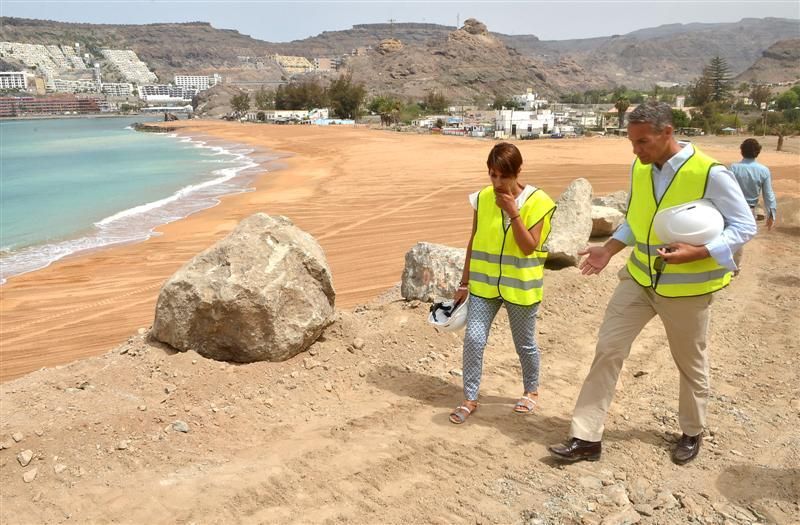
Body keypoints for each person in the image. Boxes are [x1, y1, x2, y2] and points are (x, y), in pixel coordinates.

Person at [547, 101, 756, 464]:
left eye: (642, 142)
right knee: (608, 349)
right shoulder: (640, 168)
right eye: (632, 142)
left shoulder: (711, 173)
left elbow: (744, 226)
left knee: (690, 362)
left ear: (668, 133)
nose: (636, 150)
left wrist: (699, 252)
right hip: (640, 279)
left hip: (687, 290)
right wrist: (609, 249)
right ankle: (586, 437)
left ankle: (692, 431)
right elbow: (635, 219)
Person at [449, 142, 556, 424]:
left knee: (525, 344)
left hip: (520, 288)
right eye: (492, 175)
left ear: (518, 172)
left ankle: (531, 391)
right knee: (473, 339)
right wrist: (464, 282)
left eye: (503, 176)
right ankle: (470, 398)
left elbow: (528, 246)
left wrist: (513, 211)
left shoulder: (539, 202)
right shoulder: (482, 199)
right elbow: (474, 238)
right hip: (484, 287)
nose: (497, 182)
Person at [731, 138, 777, 271]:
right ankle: (734, 268)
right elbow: (768, 195)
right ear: (758, 152)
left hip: (733, 208)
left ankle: (729, 266)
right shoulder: (763, 170)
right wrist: (771, 214)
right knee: (740, 238)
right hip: (749, 210)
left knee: (731, 237)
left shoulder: (733, 168)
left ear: (741, 151)